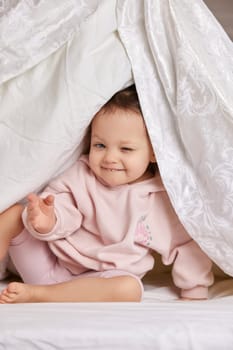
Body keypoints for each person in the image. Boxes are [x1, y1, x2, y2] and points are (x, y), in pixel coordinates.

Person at [0, 85, 214, 303]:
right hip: (48, 266)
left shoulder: (160, 199)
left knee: (129, 288)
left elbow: (184, 245)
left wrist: (194, 290)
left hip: (99, 281)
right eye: (100, 145)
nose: (110, 158)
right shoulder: (81, 175)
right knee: (14, 214)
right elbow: (63, 207)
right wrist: (47, 221)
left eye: (126, 149)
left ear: (153, 152)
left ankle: (39, 296)